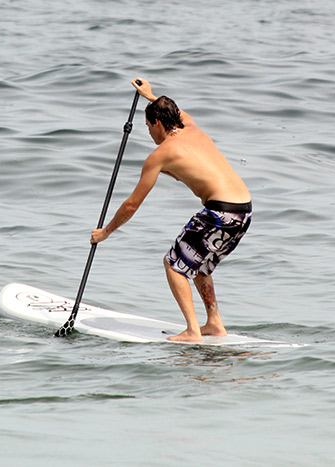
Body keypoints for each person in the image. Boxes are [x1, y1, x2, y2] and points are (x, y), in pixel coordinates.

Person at [90, 78, 252, 342]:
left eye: (147, 127)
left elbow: (132, 204)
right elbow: (179, 113)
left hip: (221, 212)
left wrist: (106, 232)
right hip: (244, 210)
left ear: (157, 123)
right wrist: (150, 95)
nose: (149, 134)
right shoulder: (192, 128)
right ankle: (214, 324)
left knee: (174, 264)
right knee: (200, 266)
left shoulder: (161, 154)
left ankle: (192, 331)